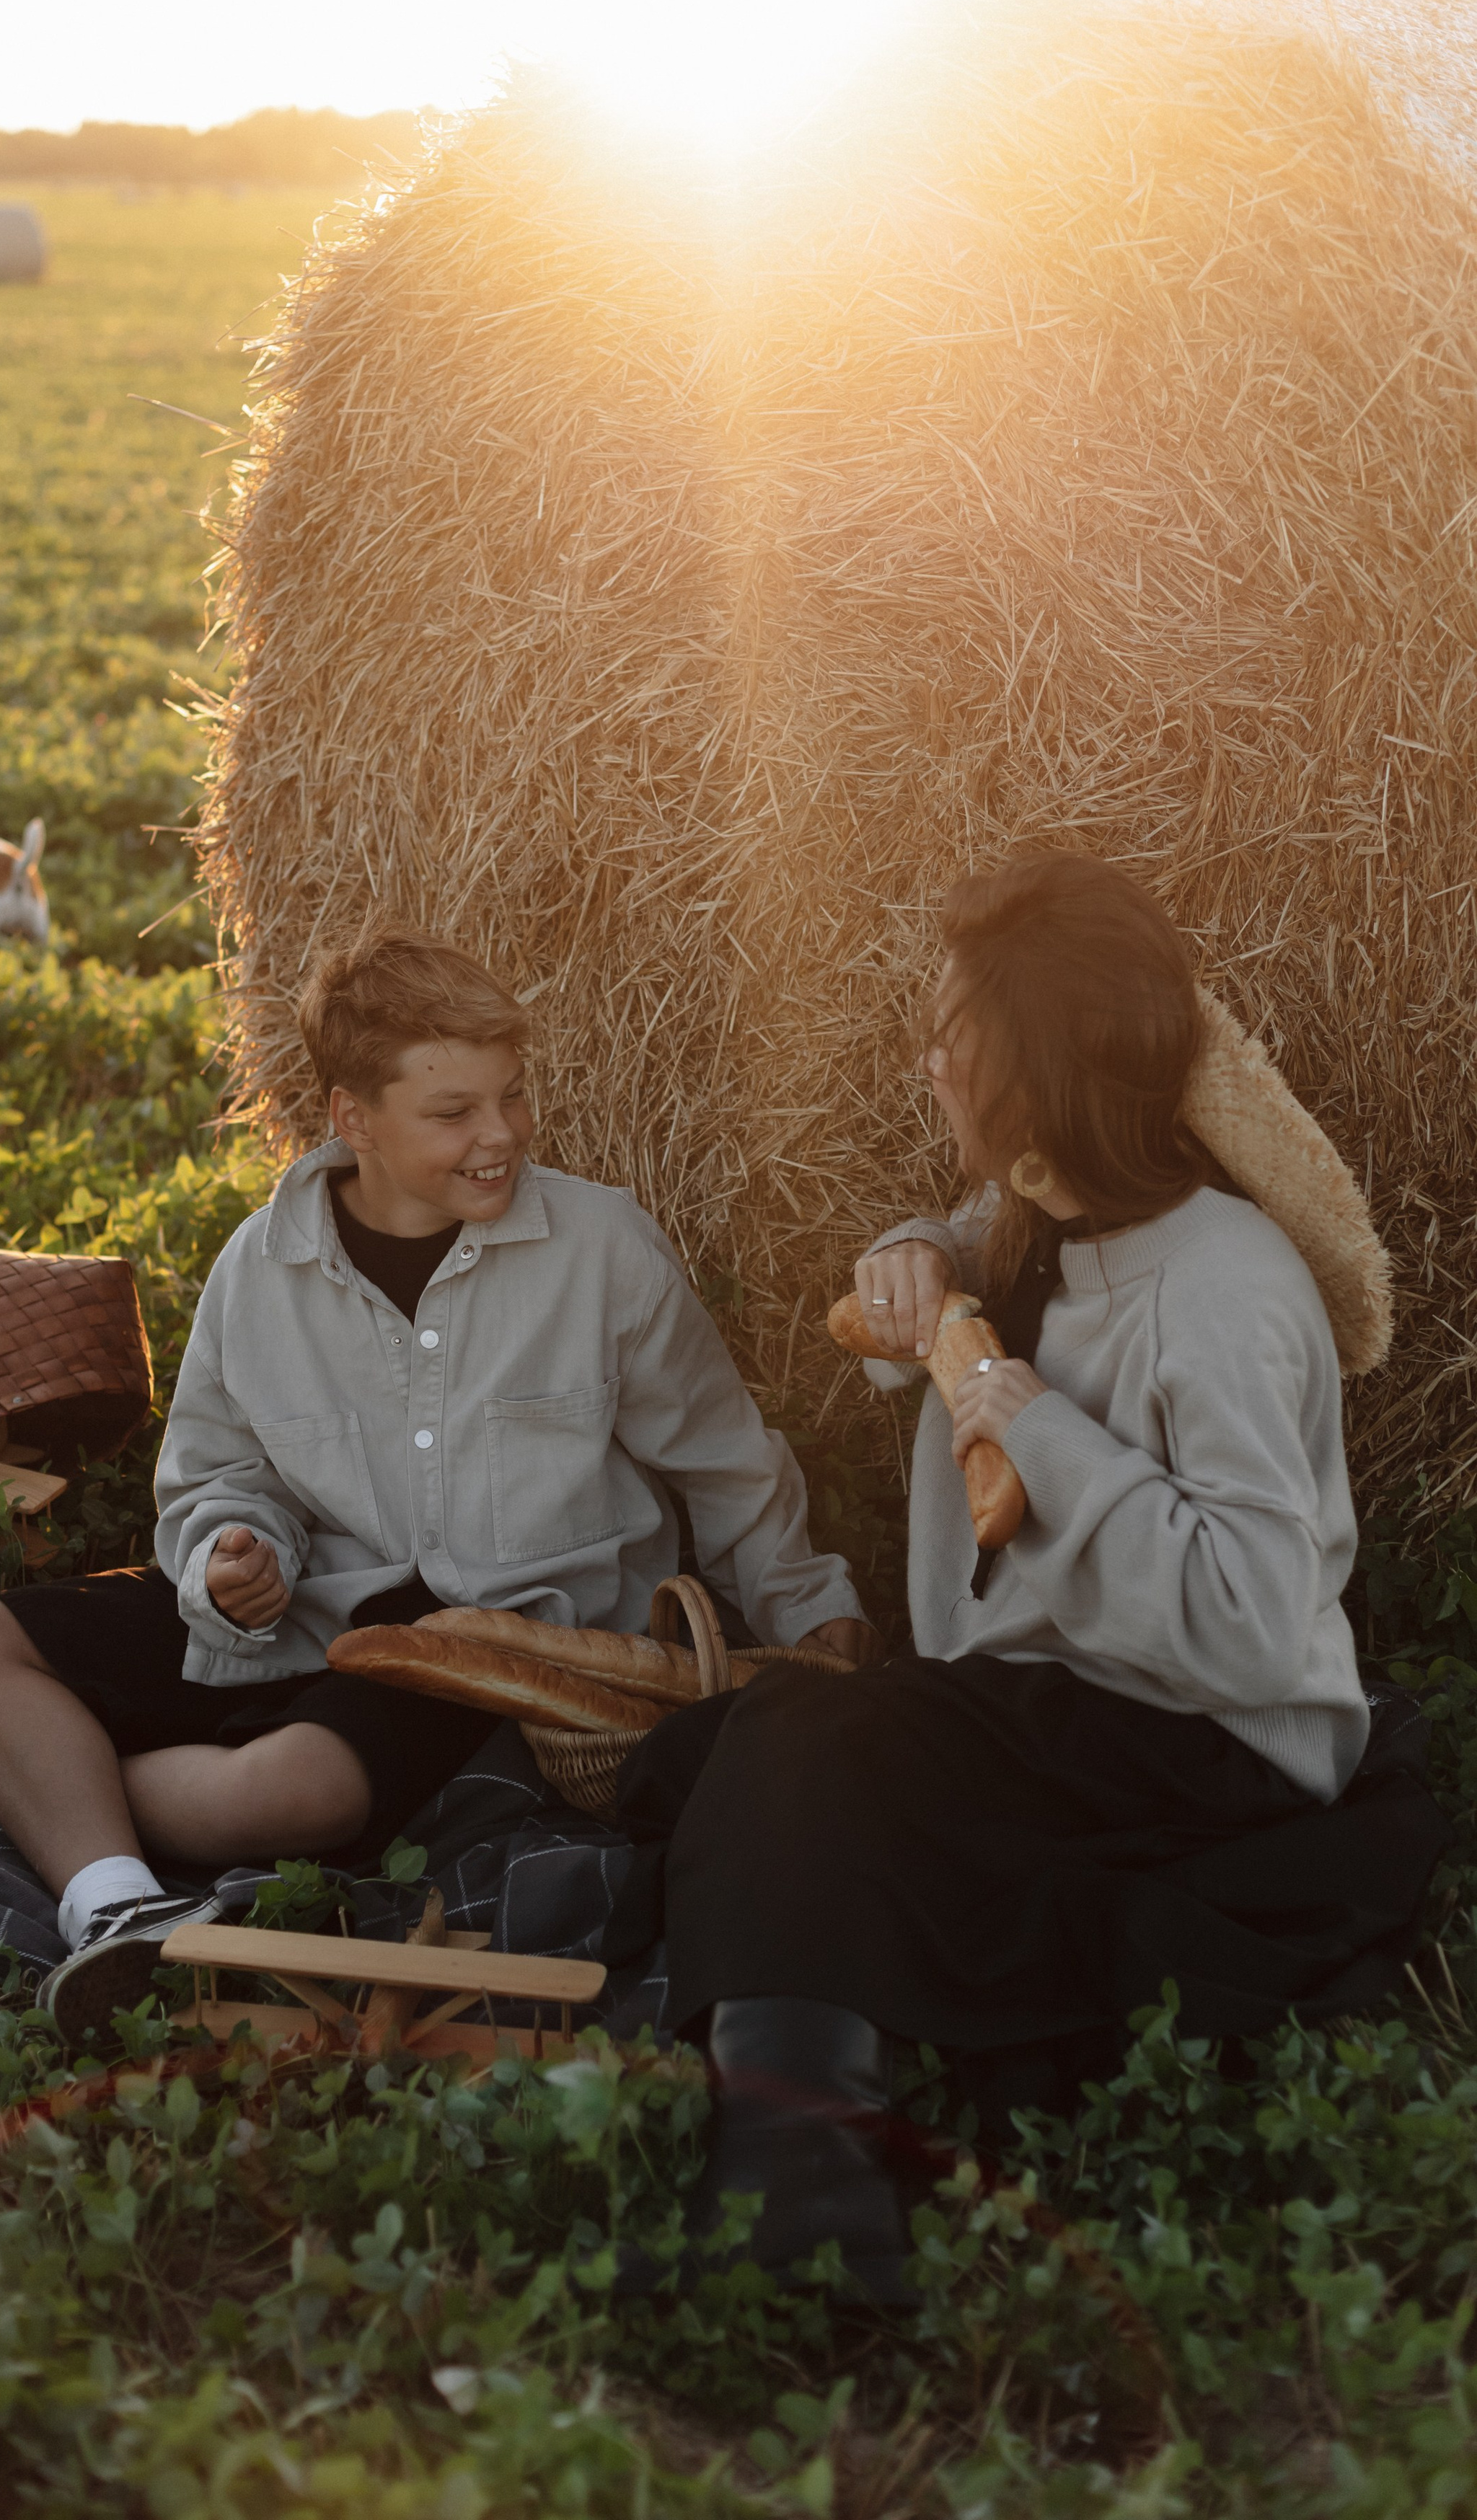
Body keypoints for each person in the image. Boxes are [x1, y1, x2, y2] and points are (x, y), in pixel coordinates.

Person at [614, 854, 1447, 2305]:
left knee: (800, 1749)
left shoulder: (1228, 1295)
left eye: (954, 1049)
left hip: (1197, 1731)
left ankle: (801, 2185)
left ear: (1040, 1123)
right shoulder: (1037, 1217)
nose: (925, 1064)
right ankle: (899, 1995)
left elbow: (1251, 1622)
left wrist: (1035, 1429)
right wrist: (912, 1258)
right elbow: (989, 1245)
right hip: (1050, 1706)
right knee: (701, 1763)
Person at [0, 926, 869, 2038]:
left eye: (511, 1097)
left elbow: (727, 1461)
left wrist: (820, 1627)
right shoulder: (256, 1273)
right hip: (310, 1605)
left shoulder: (603, 1252)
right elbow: (219, 1470)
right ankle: (115, 1910)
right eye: (454, 1113)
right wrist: (231, 1552)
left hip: (484, 1643)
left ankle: (40, 1789)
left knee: (285, 1798)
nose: (500, 1135)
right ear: (350, 1119)